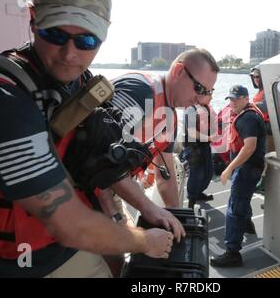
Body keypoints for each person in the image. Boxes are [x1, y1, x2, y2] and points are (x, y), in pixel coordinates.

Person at [0, 0, 181, 278]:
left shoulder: (80, 84)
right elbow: (66, 222)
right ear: (33, 20)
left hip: (56, 249)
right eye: (55, 34)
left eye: (87, 40)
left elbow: (100, 158)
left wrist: (149, 209)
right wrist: (143, 241)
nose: (70, 54)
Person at [106, 48, 219, 209]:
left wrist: (176, 215)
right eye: (199, 89)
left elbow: (165, 176)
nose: (202, 100)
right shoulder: (140, 90)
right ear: (178, 71)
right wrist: (151, 211)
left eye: (208, 92)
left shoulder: (169, 118)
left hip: (106, 188)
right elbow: (100, 154)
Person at [210, 85, 266, 268]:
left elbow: (249, 147)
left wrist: (228, 169)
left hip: (246, 169)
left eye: (235, 99)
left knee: (234, 207)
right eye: (230, 99)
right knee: (243, 199)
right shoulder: (248, 114)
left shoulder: (248, 118)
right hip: (249, 168)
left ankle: (232, 252)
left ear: (245, 98)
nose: (232, 103)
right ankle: (248, 224)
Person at [183, 94, 216, 209]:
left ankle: (198, 193)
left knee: (208, 172)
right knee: (196, 174)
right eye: (209, 95)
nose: (212, 98)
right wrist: (209, 138)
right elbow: (192, 132)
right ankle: (191, 200)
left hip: (205, 146)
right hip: (193, 148)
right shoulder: (191, 110)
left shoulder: (207, 108)